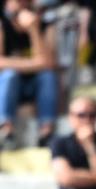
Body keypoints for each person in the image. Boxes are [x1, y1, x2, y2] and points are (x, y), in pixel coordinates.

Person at [0, 0, 58, 146]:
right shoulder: (2, 23)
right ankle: (6, 129)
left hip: (35, 85)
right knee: (9, 75)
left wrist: (33, 30)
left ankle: (46, 131)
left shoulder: (45, 24)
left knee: (48, 77)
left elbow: (49, 64)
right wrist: (36, 63)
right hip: (9, 85)